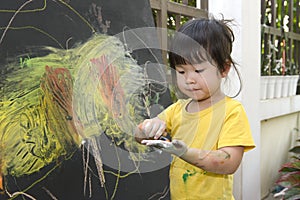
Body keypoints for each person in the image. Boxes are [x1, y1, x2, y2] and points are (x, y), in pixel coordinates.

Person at [135, 16, 255, 199]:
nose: (189, 79)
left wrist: (184, 152)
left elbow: (230, 162)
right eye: (181, 71)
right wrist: (147, 128)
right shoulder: (177, 109)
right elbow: (139, 134)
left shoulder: (231, 111)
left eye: (198, 71)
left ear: (224, 69)